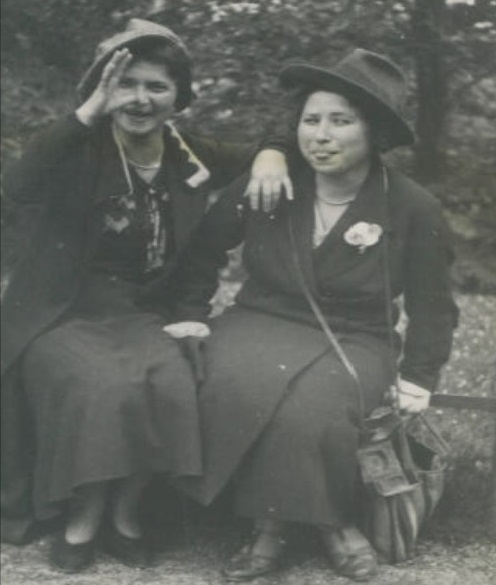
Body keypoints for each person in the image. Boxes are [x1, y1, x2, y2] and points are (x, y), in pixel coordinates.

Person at [0, 18, 292, 572]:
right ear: (102, 90)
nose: (140, 99)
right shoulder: (78, 145)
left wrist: (273, 152)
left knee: (171, 381)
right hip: (63, 313)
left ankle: (125, 516)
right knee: (102, 386)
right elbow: (18, 185)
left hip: (143, 313)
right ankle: (83, 519)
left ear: (179, 96)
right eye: (125, 84)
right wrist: (88, 111)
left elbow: (277, 145)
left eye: (156, 86)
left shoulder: (190, 154)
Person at [157, 48, 459, 581]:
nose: (320, 135)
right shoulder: (269, 179)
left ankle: (286, 528)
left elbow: (434, 303)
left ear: (375, 133)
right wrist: (190, 312)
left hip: (356, 336)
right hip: (261, 321)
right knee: (234, 384)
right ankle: (317, 525)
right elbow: (204, 252)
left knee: (312, 409)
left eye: (341, 122)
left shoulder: (412, 206)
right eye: (310, 120)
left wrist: (419, 376)